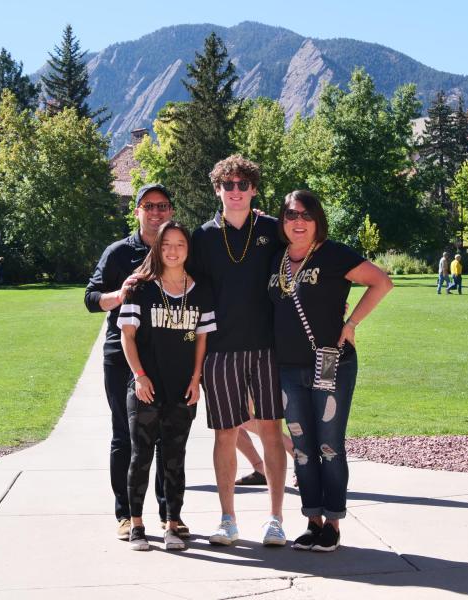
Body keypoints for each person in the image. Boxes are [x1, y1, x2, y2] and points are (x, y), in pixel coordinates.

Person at [268, 190, 393, 552]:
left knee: (329, 446)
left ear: (317, 219)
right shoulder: (276, 260)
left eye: (306, 215)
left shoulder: (335, 254)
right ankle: (312, 521)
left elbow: (382, 282)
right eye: (291, 215)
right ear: (283, 221)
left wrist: (352, 323)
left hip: (331, 365)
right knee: (303, 449)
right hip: (289, 370)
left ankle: (333, 525)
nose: (298, 222)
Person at [191, 154, 288, 547]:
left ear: (253, 189)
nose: (234, 191)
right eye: (227, 185)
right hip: (220, 350)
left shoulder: (272, 228)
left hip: (267, 348)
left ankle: (276, 519)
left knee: (271, 432)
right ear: (217, 190)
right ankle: (227, 519)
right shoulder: (202, 236)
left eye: (242, 185)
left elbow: (300, 265)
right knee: (225, 433)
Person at [85, 183, 189, 541]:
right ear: (137, 211)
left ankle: (168, 514)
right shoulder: (118, 253)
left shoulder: (178, 248)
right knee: (125, 435)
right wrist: (119, 293)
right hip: (123, 355)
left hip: (167, 354)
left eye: (162, 206)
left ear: (171, 211)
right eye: (149, 206)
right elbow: (90, 297)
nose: (156, 212)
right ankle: (126, 515)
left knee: (167, 437)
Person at [118, 222, 216, 551]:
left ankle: (172, 524)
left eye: (180, 244)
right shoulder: (140, 288)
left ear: (189, 249)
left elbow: (202, 339)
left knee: (175, 458)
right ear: (157, 249)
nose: (173, 251)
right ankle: (136, 526)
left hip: (181, 389)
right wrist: (140, 376)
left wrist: (195, 379)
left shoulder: (200, 289)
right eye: (166, 245)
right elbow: (127, 336)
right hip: (146, 388)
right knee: (140, 457)